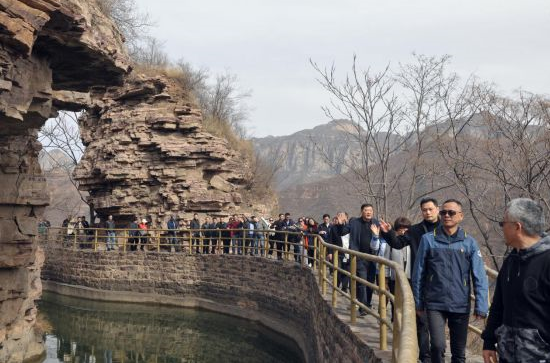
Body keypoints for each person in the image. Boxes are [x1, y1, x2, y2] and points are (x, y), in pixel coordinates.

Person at [412, 199, 488, 363]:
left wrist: (481, 305)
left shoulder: (469, 243)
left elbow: (479, 276)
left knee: (459, 353)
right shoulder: (428, 240)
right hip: (434, 302)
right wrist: (418, 303)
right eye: (444, 212)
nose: (447, 215)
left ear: (460, 216)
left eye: (451, 213)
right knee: (438, 346)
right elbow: (418, 273)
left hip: (460, 304)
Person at [481, 198, 550, 363]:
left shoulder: (547, 261)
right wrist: (489, 341)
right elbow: (498, 304)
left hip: (541, 356)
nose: (502, 228)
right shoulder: (511, 260)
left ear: (517, 227)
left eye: (503, 223)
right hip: (508, 354)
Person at [384, 197, 440, 363]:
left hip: (441, 283)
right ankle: (425, 357)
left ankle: (438, 354)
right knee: (422, 321)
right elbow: (398, 243)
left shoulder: (446, 229)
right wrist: (388, 233)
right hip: (421, 281)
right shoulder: (415, 230)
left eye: (430, 209)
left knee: (437, 326)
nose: (428, 212)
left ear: (437, 209)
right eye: (424, 210)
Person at [336, 204, 396, 315]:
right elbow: (342, 232)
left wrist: (389, 231)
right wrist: (340, 225)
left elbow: (386, 237)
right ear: (361, 211)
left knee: (370, 282)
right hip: (358, 257)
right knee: (362, 282)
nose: (368, 212)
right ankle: (362, 307)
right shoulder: (354, 222)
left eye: (370, 210)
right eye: (366, 210)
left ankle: (367, 303)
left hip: (373, 257)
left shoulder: (376, 223)